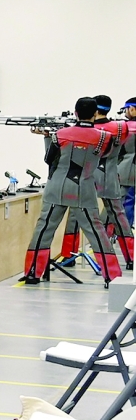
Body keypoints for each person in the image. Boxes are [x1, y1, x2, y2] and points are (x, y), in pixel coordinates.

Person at [22, 97, 119, 288]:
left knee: (44, 229)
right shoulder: (105, 137)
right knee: (96, 232)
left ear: (75, 113)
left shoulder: (59, 134)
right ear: (94, 114)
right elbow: (104, 157)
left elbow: (49, 160)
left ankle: (33, 273)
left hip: (56, 187)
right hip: (84, 188)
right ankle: (112, 276)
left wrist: (47, 137)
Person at [61, 95, 132, 269]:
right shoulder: (121, 127)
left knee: (74, 218)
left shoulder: (80, 132)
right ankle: (130, 257)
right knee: (119, 217)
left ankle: (68, 256)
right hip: (109, 177)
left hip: (84, 178)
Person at [118, 98, 136, 227]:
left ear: (132, 109)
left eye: (126, 109)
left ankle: (125, 233)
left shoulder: (124, 127)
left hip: (129, 169)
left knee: (126, 202)